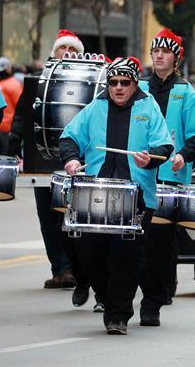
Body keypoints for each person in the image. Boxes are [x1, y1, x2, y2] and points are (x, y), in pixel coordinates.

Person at [59, 57, 174, 335]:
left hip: (137, 195)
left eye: (125, 83)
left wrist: (151, 159)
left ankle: (118, 315)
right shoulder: (95, 107)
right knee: (90, 253)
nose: (119, 88)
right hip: (97, 193)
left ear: (135, 84)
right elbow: (69, 137)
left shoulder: (148, 106)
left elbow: (164, 145)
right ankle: (109, 297)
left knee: (128, 255)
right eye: (113, 83)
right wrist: (72, 159)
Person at [7, 30, 91, 296]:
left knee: (75, 218)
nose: (68, 54)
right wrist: (14, 144)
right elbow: (22, 114)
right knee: (48, 217)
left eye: (73, 50)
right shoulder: (39, 81)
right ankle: (61, 270)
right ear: (54, 52)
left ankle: (81, 269)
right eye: (62, 49)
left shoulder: (89, 82)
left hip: (78, 161)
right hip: (42, 158)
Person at [137, 29, 195, 326]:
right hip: (138, 173)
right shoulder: (137, 86)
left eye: (165, 51)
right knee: (135, 237)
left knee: (161, 239)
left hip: (171, 175)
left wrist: (183, 155)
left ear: (176, 57)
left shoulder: (186, 92)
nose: (158, 55)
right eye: (155, 50)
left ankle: (157, 294)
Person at [0, 56, 22, 150]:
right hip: (2, 129)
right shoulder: (5, 83)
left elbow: (19, 108)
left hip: (7, 130)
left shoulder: (11, 84)